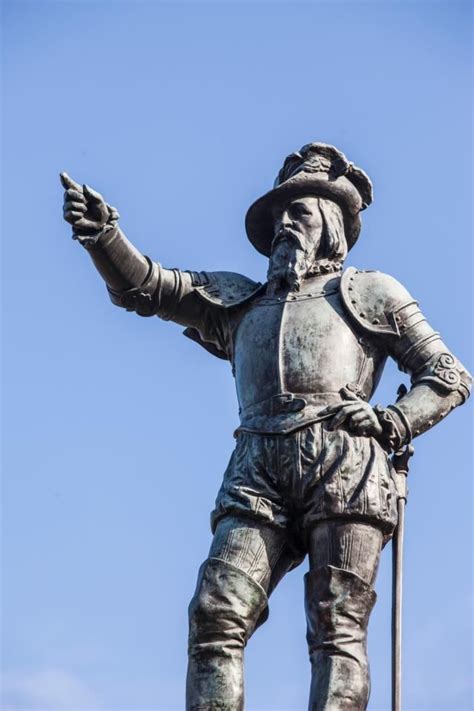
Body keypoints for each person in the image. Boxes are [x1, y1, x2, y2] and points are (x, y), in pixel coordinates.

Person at [60, 143, 471, 711]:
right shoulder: (239, 302)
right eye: (276, 215)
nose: (283, 224)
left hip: (345, 464)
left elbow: (448, 376)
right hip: (256, 467)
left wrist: (392, 420)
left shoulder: (372, 293)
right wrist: (104, 238)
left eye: (296, 212)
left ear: (329, 222)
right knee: (215, 612)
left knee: (337, 626)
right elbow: (149, 287)